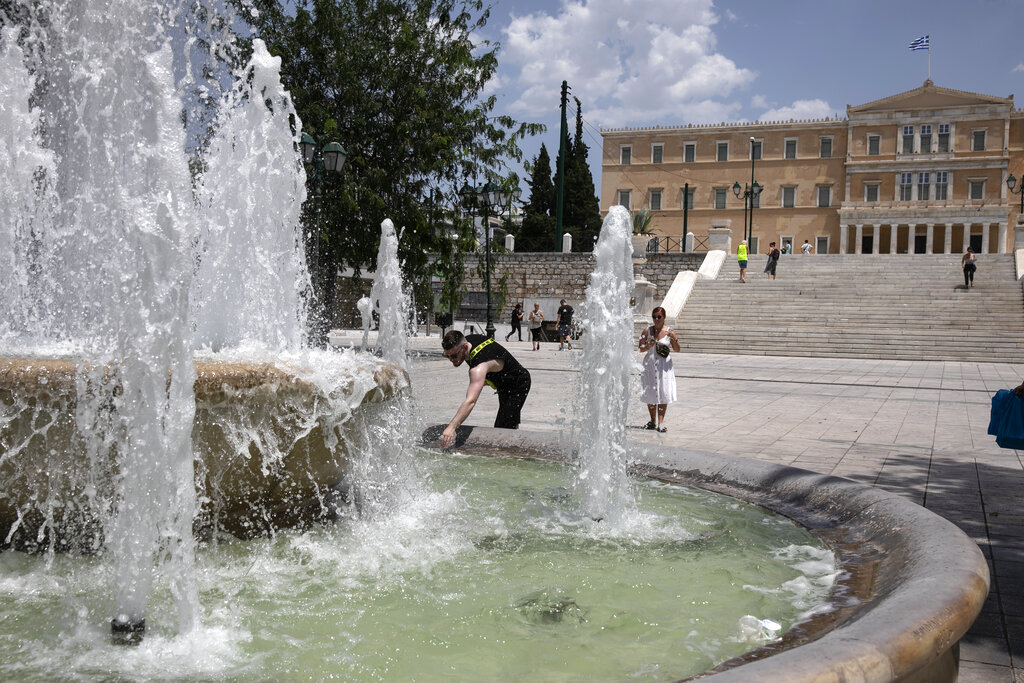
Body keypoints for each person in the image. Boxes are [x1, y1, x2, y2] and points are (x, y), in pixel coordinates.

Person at [439, 330, 532, 448]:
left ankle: (515, 456)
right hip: (504, 383)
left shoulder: (478, 367)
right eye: (447, 355)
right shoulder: (468, 340)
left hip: (518, 384)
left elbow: (471, 401)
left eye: (454, 355)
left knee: (502, 430)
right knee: (509, 422)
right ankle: (515, 440)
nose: (451, 359)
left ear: (465, 346)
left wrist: (451, 428)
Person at [638, 306, 679, 433]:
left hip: (664, 366)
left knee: (663, 391)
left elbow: (677, 349)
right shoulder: (646, 331)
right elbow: (641, 348)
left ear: (664, 317)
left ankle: (661, 422)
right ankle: (652, 420)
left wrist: (674, 338)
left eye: (659, 317)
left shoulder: (669, 331)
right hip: (649, 365)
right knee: (651, 391)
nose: (656, 319)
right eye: (654, 317)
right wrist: (648, 345)